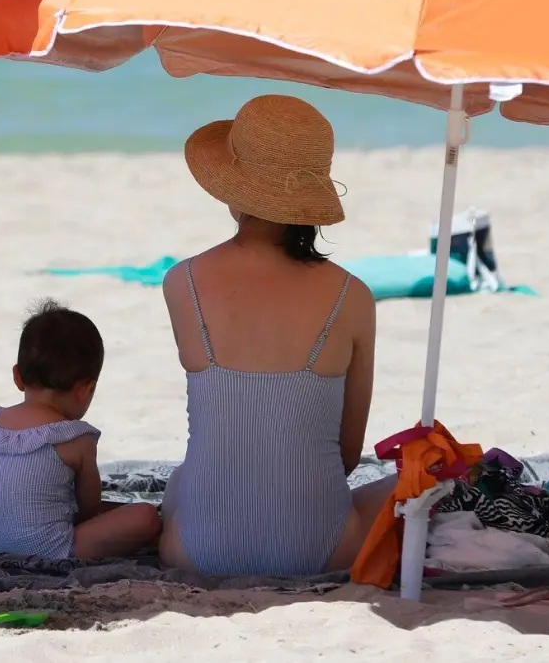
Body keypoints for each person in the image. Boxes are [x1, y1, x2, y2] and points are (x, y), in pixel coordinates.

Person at [158, 95, 399, 576]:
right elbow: (347, 456)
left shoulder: (181, 282)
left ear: (234, 188)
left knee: (184, 480)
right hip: (323, 549)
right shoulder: (353, 296)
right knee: (409, 486)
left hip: (196, 551)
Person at [0, 300, 163, 559]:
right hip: (56, 550)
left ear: (18, 377)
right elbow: (88, 510)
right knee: (146, 516)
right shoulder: (76, 438)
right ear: (87, 389)